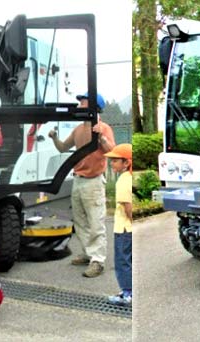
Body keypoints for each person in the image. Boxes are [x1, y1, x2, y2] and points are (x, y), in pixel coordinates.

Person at [48, 92, 115, 278]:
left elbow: (113, 152)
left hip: (94, 181)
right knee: (80, 221)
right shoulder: (78, 130)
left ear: (94, 106)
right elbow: (63, 147)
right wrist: (54, 137)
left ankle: (98, 260)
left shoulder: (103, 128)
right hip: (78, 179)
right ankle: (88, 253)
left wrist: (101, 138)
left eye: (82, 101)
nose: (79, 104)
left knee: (96, 222)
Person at [104, 144, 133, 306]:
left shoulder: (122, 181)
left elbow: (127, 206)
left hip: (123, 228)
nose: (111, 163)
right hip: (128, 228)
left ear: (126, 163)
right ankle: (129, 291)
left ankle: (128, 294)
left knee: (122, 261)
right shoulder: (129, 178)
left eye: (115, 160)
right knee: (128, 260)